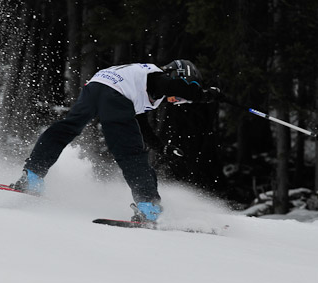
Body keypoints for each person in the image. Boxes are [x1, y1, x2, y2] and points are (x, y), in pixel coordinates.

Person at [11, 60, 221, 223]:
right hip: (113, 93)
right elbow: (172, 86)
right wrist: (203, 95)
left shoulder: (141, 83)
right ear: (179, 76)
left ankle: (32, 176)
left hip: (95, 88)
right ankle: (148, 206)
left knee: (66, 129)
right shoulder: (157, 75)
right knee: (131, 153)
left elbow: (141, 125)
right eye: (181, 97)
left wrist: (162, 147)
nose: (177, 101)